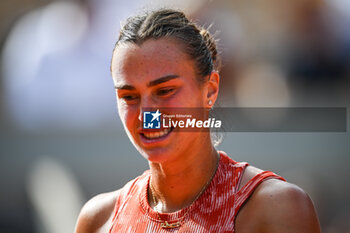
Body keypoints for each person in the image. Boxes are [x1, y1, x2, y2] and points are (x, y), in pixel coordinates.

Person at [75, 9, 321, 233]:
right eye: (129, 96)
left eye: (165, 91)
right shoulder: (99, 219)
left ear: (210, 90)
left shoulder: (275, 208)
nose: (148, 114)